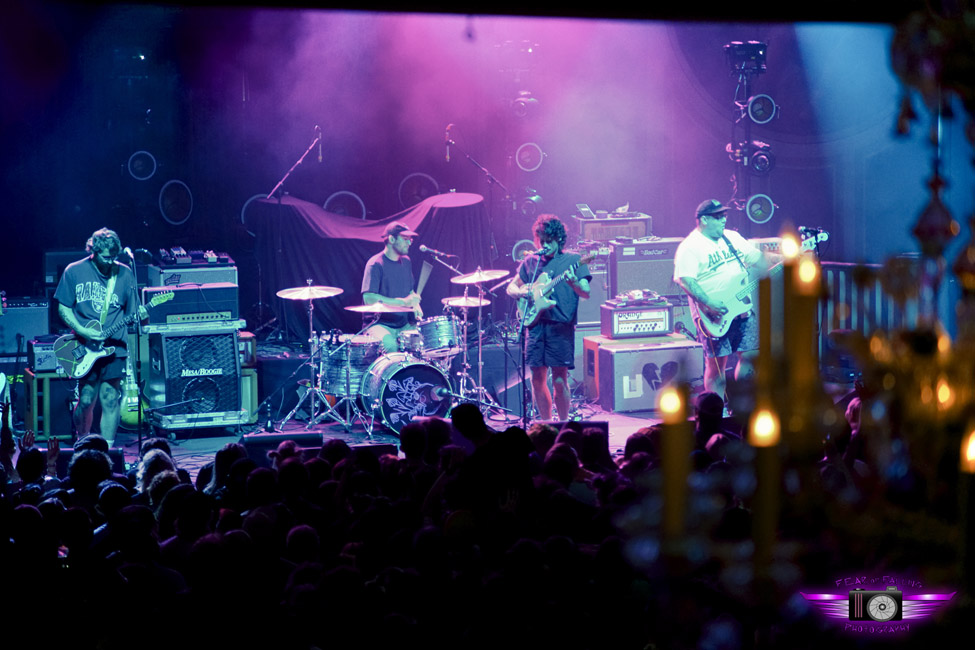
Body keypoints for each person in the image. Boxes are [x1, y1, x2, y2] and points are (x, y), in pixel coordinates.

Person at [673, 199, 776, 404]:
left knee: (751, 356)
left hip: (742, 309)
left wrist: (789, 257)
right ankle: (716, 412)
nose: (723, 220)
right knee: (717, 366)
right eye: (718, 217)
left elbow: (759, 259)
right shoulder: (691, 247)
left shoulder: (733, 238)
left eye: (724, 216)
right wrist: (708, 302)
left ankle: (743, 404)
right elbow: (684, 279)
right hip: (713, 315)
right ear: (703, 220)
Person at [54, 228, 147, 444]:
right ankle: (83, 442)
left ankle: (107, 451)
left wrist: (142, 315)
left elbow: (134, 313)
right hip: (84, 346)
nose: (110, 261)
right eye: (105, 256)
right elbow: (63, 309)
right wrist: (84, 331)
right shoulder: (74, 271)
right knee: (86, 400)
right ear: (93, 250)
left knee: (111, 398)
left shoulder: (124, 273)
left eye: (113, 256)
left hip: (115, 348)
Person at [506, 214, 590, 421]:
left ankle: (562, 425)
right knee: (536, 378)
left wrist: (573, 283)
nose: (545, 245)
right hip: (534, 326)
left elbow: (586, 291)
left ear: (559, 239)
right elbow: (511, 287)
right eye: (541, 241)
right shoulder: (530, 262)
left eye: (549, 241)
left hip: (560, 327)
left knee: (559, 381)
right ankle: (545, 424)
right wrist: (522, 293)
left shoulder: (573, 260)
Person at [361, 220, 423, 352]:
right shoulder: (375, 264)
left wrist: (415, 304)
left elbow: (410, 290)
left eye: (410, 239)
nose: (409, 242)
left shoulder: (406, 262)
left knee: (423, 343)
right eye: (405, 238)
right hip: (380, 324)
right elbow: (369, 298)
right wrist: (403, 302)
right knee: (390, 345)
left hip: (403, 324)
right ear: (391, 239)